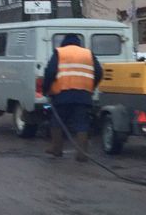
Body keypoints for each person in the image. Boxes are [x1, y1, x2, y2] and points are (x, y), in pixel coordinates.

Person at [43, 34, 102, 162]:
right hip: (83, 95)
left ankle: (56, 149)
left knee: (57, 121)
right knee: (82, 123)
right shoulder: (87, 54)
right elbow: (99, 72)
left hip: (62, 94)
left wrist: (46, 89)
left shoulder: (60, 52)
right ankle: (82, 154)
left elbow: (50, 72)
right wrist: (91, 86)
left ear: (64, 42)